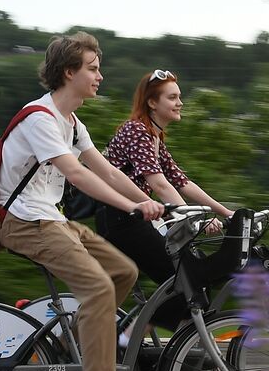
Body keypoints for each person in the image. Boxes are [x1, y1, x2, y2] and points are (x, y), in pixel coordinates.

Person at [0, 32, 164, 371]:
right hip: (25, 222)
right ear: (69, 72)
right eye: (92, 69)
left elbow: (105, 171)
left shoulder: (71, 123)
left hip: (51, 218)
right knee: (98, 287)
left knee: (124, 272)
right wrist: (132, 207)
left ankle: (69, 347)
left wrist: (147, 201)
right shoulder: (40, 118)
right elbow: (77, 174)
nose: (99, 76)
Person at [97, 69, 233, 328]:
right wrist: (196, 219)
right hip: (120, 220)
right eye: (172, 97)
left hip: (136, 218)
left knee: (192, 277)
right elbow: (159, 183)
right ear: (152, 102)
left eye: (179, 97)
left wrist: (226, 213)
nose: (180, 102)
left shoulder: (155, 135)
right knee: (180, 279)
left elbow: (182, 182)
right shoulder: (137, 130)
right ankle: (128, 342)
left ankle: (180, 350)